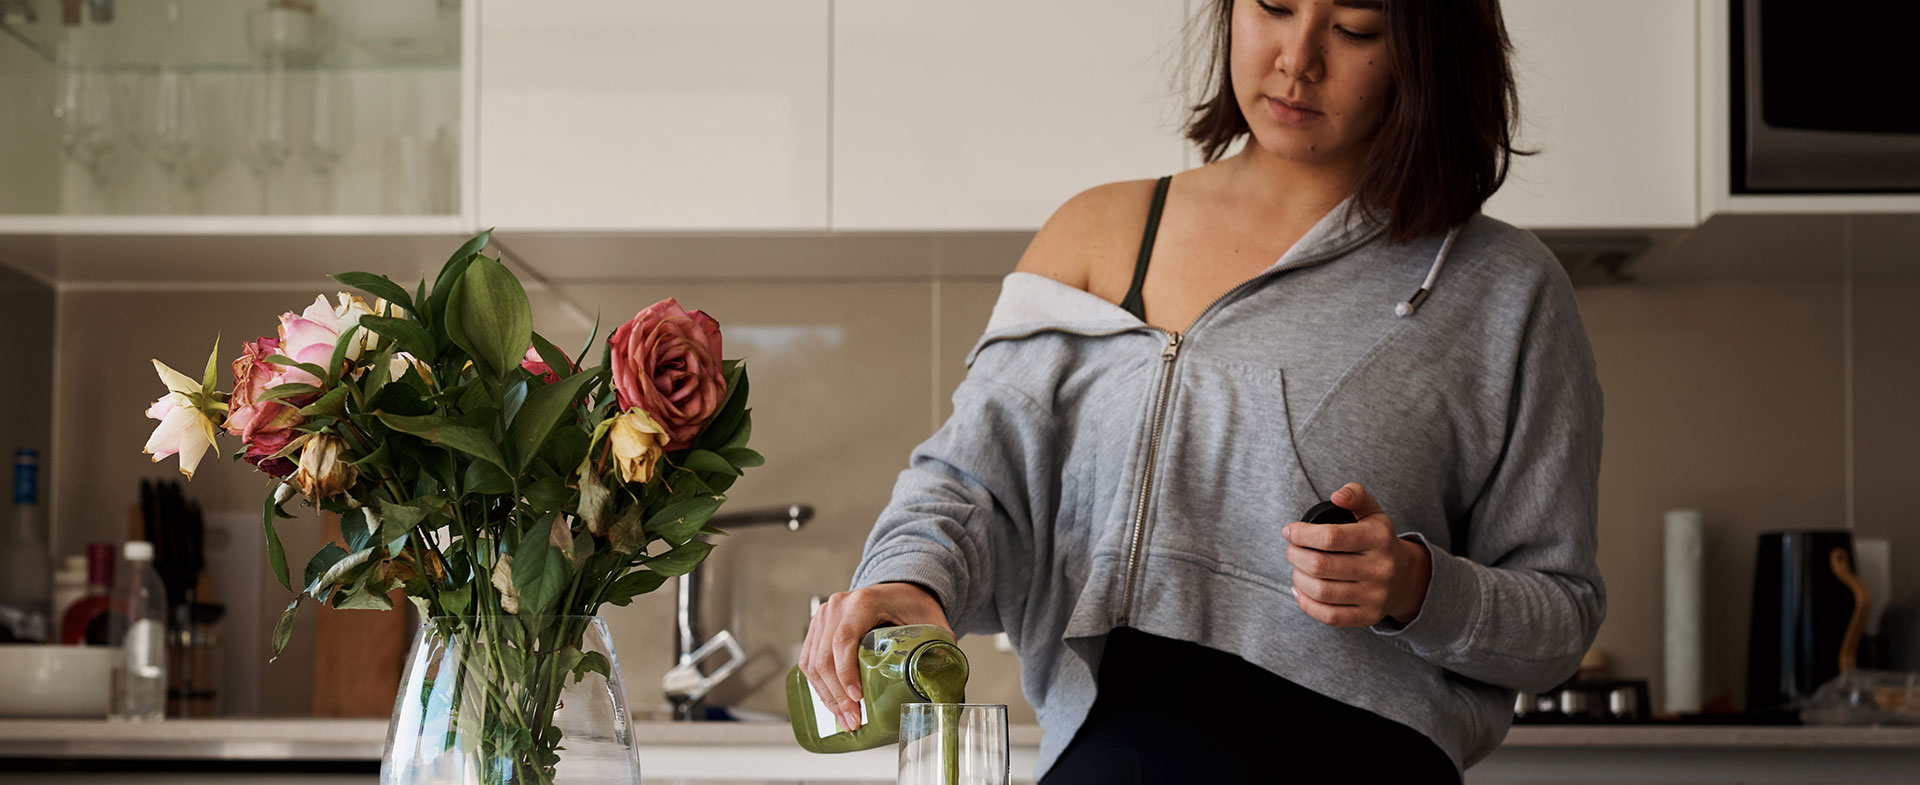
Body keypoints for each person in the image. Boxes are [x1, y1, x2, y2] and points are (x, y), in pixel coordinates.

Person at [798, 0, 1604, 781]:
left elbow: (1558, 616)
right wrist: (909, 578)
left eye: (1357, 26)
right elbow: (970, 483)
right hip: (1111, 757)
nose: (1298, 59)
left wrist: (1414, 585)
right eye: (1273, 6)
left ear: (1427, 47)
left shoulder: (1503, 288)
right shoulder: (1100, 236)